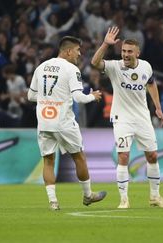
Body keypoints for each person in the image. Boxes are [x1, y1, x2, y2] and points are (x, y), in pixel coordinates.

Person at [91, 27, 163, 209]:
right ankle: (124, 200)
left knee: (152, 155)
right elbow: (95, 62)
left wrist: (158, 108)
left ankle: (155, 197)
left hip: (143, 118)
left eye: (129, 52)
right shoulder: (114, 67)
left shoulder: (146, 66)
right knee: (123, 156)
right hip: (122, 118)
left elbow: (151, 84)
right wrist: (105, 44)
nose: (125, 55)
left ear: (137, 53)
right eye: (123, 51)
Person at [27, 36, 107, 211]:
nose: (79, 54)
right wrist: (92, 96)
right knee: (79, 157)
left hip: (44, 121)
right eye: (78, 50)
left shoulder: (41, 67)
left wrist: (48, 100)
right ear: (68, 51)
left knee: (48, 161)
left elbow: (30, 96)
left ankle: (53, 202)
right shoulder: (71, 69)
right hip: (63, 121)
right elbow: (79, 97)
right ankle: (88, 195)